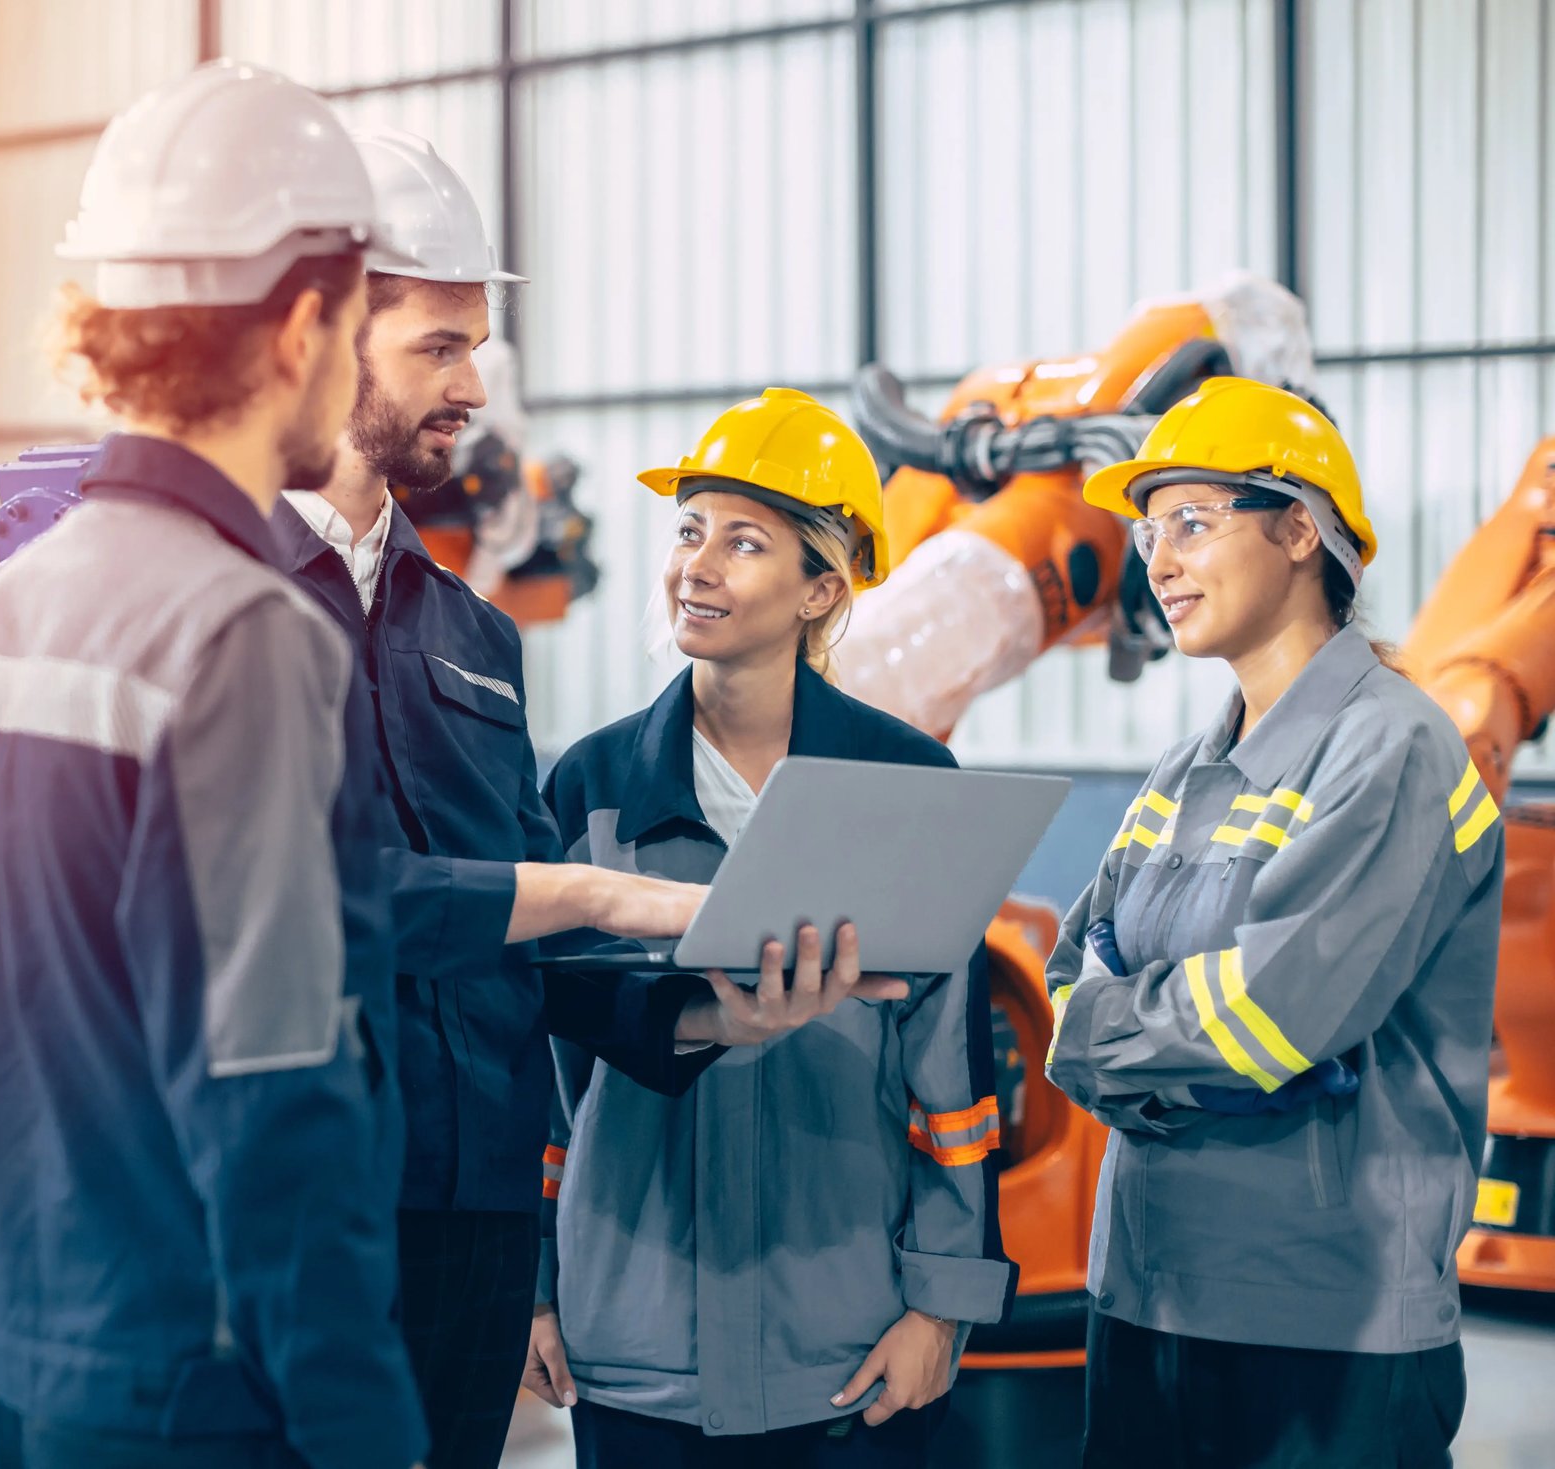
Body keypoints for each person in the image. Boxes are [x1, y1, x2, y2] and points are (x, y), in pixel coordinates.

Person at [269, 133, 886, 1469]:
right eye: (439, 345)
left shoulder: (469, 639)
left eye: (475, 346)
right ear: (326, 334)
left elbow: (538, 962)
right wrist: (608, 890)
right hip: (299, 1211)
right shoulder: (222, 603)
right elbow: (297, 903)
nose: (473, 387)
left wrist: (720, 1008)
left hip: (471, 1222)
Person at [0, 63, 428, 1469]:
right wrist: (365, 1426)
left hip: (38, 1368)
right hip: (207, 1398)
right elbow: (274, 1094)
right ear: (304, 323)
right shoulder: (239, 632)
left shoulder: (9, 611)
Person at [523, 388, 1016, 1468]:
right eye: (689, 530)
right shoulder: (594, 787)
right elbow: (540, 1067)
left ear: (820, 590)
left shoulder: (904, 785)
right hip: (635, 1340)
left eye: (743, 543)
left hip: (839, 1345)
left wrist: (939, 1307)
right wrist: (534, 1289)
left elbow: (951, 1084)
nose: (696, 564)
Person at [1044, 377, 1504, 1469]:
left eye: (1192, 522)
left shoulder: (1389, 748)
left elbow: (1270, 1013)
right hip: (1144, 1293)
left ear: (1299, 528)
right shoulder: (1183, 770)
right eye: (1147, 530)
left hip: (1322, 1322)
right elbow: (1072, 967)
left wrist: (1108, 1032)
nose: (1156, 560)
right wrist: (1147, 1027)